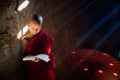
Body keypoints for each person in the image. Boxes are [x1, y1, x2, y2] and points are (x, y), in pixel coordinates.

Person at [20, 14, 55, 80]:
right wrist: (32, 58)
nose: (35, 31)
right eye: (33, 28)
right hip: (33, 66)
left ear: (41, 27)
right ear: (28, 25)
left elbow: (49, 44)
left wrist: (44, 55)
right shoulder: (26, 39)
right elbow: (24, 55)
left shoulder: (44, 37)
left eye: (38, 29)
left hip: (43, 65)